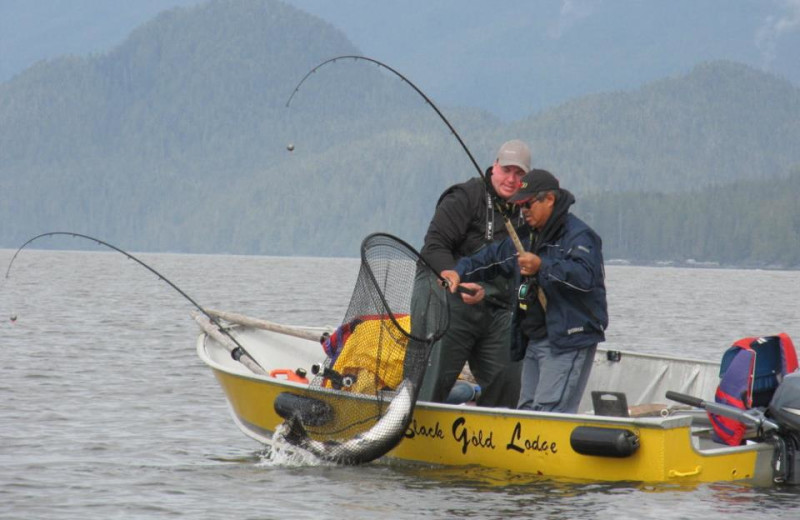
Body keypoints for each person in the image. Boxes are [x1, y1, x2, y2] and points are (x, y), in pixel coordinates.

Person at [440, 169, 607, 413]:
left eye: (528, 204)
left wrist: (542, 266)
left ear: (549, 199)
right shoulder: (527, 237)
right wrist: (459, 271)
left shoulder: (580, 236)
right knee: (527, 408)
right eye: (519, 205)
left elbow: (585, 278)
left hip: (568, 338)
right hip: (535, 337)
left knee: (548, 411)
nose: (523, 211)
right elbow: (492, 258)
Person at [415, 139, 531, 408]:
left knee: (509, 373)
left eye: (519, 174)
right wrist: (455, 277)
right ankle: (417, 420)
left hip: (494, 304)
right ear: (495, 167)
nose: (511, 179)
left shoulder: (526, 210)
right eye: (507, 170)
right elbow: (434, 245)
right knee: (433, 378)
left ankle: (496, 434)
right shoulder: (464, 197)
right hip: (448, 296)